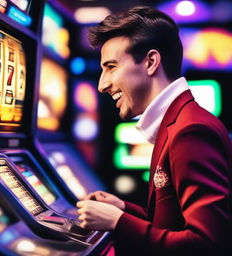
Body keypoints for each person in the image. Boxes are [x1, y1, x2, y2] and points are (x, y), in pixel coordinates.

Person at [76, 6, 232, 256]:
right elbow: (173, 221)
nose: (102, 84)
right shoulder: (179, 120)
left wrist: (119, 222)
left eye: (111, 67)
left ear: (150, 62)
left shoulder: (190, 131)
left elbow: (207, 245)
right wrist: (123, 209)